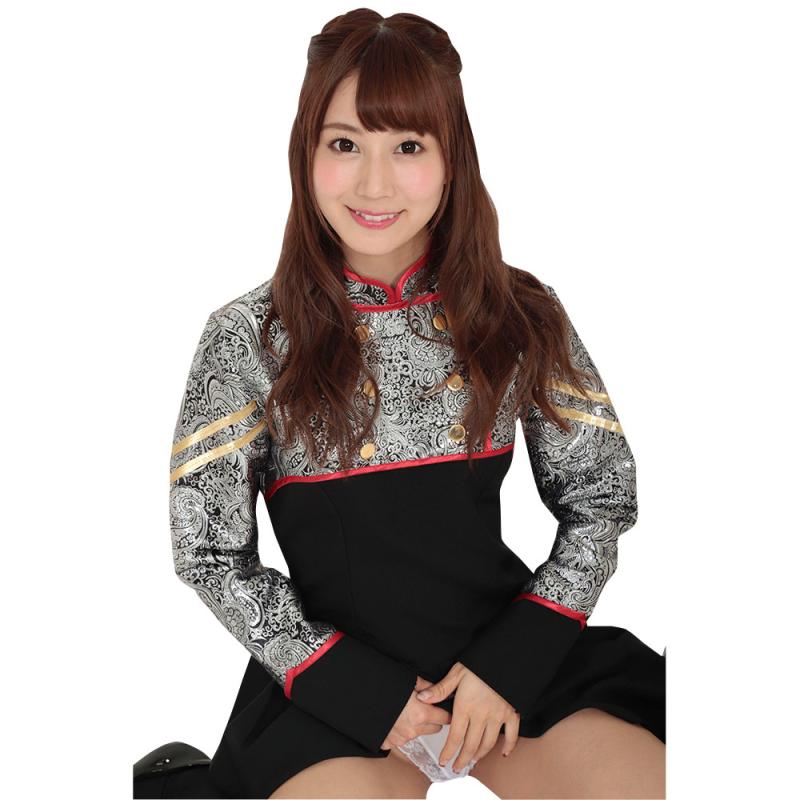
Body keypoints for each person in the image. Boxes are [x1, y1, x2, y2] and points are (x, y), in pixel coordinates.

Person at [164, 8, 665, 799]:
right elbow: (210, 554)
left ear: (451, 157)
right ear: (304, 154)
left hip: (507, 673)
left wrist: (513, 662)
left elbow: (601, 498)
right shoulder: (246, 339)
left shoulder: (521, 313)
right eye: (344, 145)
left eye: (407, 146)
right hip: (332, 693)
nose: (374, 183)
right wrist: (358, 691)